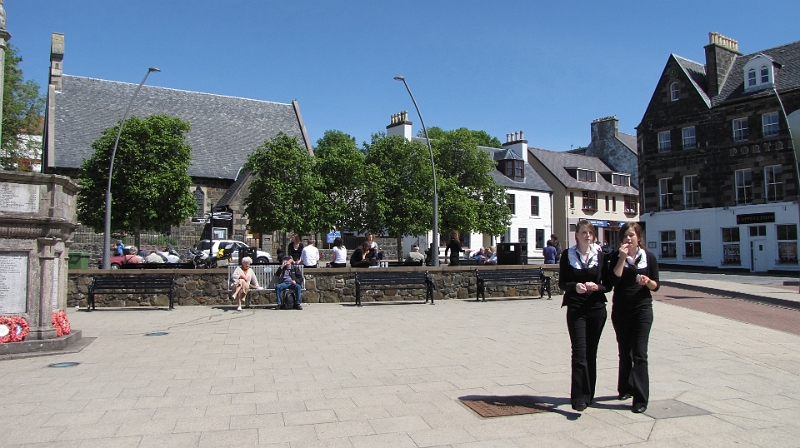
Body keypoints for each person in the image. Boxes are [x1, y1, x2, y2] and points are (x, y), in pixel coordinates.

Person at [606, 222, 659, 414]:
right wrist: (621, 258)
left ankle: (640, 398)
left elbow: (656, 285)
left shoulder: (649, 258)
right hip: (621, 309)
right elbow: (613, 281)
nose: (628, 239)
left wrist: (647, 282)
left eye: (631, 235)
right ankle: (625, 387)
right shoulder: (616, 257)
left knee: (639, 353)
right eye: (625, 236)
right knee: (624, 351)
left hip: (642, 309)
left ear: (639, 238)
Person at [559, 220, 608, 412]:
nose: (587, 235)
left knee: (591, 353)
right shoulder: (567, 255)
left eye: (590, 232)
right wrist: (574, 287)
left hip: (596, 307)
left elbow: (608, 285)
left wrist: (598, 287)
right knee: (579, 352)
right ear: (576, 235)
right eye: (583, 232)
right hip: (576, 307)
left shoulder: (600, 255)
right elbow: (562, 283)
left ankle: (589, 394)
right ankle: (578, 397)